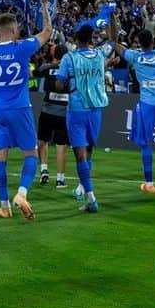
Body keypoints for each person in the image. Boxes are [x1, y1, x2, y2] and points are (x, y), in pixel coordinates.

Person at [0, 0, 52, 220]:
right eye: (17, 27)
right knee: (31, 154)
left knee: (0, 157)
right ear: (12, 29)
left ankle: (4, 206)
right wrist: (43, 5)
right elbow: (47, 32)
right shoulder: (21, 47)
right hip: (19, 108)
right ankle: (21, 194)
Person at [107, 9, 155, 194]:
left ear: (140, 44)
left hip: (147, 104)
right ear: (152, 41)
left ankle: (149, 184)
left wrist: (113, 20)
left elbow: (114, 42)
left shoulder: (135, 57)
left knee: (146, 143)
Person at [55, 24, 107, 213]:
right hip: (96, 109)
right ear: (91, 39)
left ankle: (91, 198)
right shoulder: (99, 56)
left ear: (76, 40)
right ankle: (82, 186)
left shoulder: (69, 58)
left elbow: (60, 85)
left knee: (79, 154)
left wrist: (64, 80)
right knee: (89, 149)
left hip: (77, 109)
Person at [35, 45, 69, 188]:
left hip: (47, 111)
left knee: (43, 141)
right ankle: (60, 179)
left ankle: (44, 171)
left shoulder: (47, 67)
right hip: (63, 112)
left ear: (54, 54)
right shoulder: (70, 69)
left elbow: (34, 72)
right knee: (61, 146)